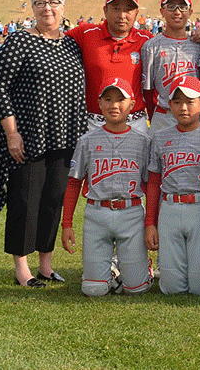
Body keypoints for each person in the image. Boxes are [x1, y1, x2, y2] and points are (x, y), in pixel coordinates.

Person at [0, 0, 87, 288]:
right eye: (41, 3)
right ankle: (22, 268)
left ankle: (46, 265)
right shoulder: (19, 41)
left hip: (65, 135)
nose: (48, 8)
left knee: (53, 199)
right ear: (32, 8)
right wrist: (11, 133)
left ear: (63, 7)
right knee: (25, 199)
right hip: (28, 136)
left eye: (53, 2)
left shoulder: (71, 43)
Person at [60, 78, 153, 296]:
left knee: (136, 289)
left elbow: (150, 185)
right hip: (97, 214)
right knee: (94, 290)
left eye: (121, 100)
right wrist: (67, 224)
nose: (114, 105)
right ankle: (108, 272)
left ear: (132, 104)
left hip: (131, 213)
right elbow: (74, 183)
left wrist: (151, 223)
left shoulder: (143, 141)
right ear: (99, 104)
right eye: (108, 99)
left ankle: (141, 269)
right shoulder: (87, 140)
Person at [145, 76, 200, 295]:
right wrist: (151, 222)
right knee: (172, 289)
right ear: (170, 105)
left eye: (190, 101)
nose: (183, 107)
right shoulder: (160, 137)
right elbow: (153, 183)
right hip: (170, 208)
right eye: (177, 102)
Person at [66, 0, 152, 132]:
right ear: (105, 10)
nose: (122, 15)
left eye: (128, 10)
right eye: (116, 8)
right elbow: (52, 39)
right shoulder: (85, 34)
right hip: (95, 124)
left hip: (135, 123)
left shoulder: (146, 39)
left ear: (136, 13)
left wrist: (199, 39)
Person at [141, 0, 200, 132]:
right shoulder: (151, 46)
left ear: (190, 12)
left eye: (182, 7)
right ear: (162, 11)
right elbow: (148, 91)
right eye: (171, 6)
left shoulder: (199, 44)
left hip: (193, 116)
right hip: (164, 115)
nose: (177, 12)